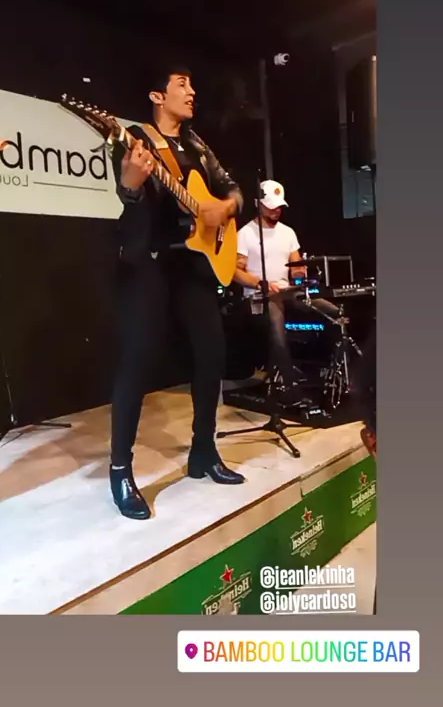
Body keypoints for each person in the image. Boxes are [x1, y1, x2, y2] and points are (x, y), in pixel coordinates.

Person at [109, 64, 246, 520]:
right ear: (157, 95)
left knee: (212, 354)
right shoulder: (134, 139)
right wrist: (131, 186)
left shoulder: (196, 144)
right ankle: (120, 469)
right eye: (181, 85)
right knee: (137, 361)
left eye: (191, 84)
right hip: (151, 262)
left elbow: (234, 191)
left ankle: (203, 450)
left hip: (193, 264)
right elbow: (128, 198)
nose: (191, 92)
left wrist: (222, 208)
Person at [233, 180, 306, 392]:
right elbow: (235, 271)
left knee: (331, 312)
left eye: (279, 206)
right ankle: (288, 382)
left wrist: (300, 273)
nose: (276, 211)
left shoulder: (288, 232)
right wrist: (260, 283)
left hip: (286, 291)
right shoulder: (245, 234)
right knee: (275, 315)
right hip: (259, 296)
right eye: (271, 206)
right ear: (258, 204)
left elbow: (296, 266)